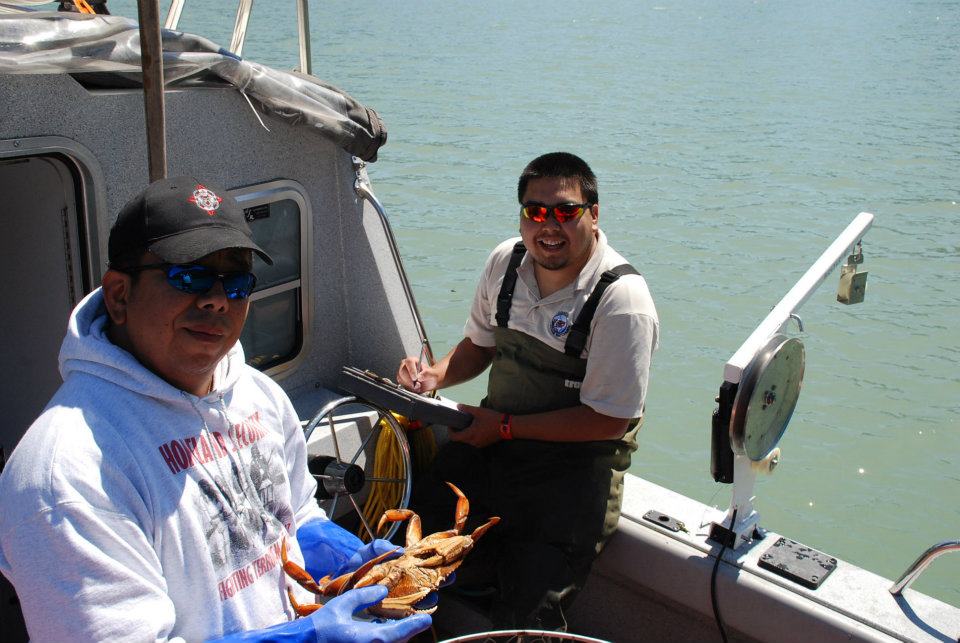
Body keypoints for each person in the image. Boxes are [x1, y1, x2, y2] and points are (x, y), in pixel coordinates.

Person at [0, 177, 431, 642]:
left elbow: (294, 516)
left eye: (237, 282)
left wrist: (335, 550)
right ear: (120, 294)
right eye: (189, 276)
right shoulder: (65, 471)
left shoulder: (258, 396)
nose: (217, 300)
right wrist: (306, 638)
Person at [396, 152, 659, 630]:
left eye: (565, 211)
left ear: (594, 214)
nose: (549, 226)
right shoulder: (506, 262)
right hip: (493, 448)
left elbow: (609, 420)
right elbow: (479, 347)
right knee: (403, 561)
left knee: (527, 620)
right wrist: (433, 377)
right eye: (535, 212)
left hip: (573, 475)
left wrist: (503, 427)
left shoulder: (622, 302)